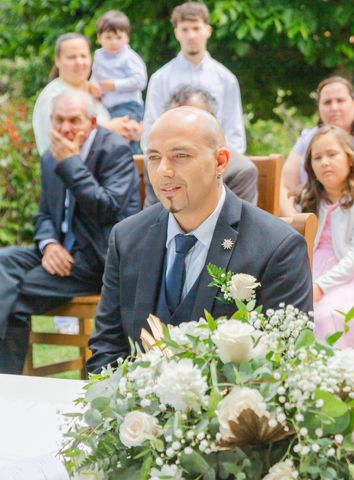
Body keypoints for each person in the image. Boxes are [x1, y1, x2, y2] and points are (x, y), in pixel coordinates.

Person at [87, 107, 313, 373]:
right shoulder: (127, 238)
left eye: (180, 155)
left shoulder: (278, 248)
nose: (164, 171)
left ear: (220, 162)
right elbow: (106, 349)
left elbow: (284, 364)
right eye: (154, 157)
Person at [0, 90, 140, 373]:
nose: (65, 128)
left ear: (91, 123)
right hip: (60, 253)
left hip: (99, 259)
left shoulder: (114, 151)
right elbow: (44, 215)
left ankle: (8, 379)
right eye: (59, 120)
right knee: (4, 261)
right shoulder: (50, 157)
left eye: (74, 121)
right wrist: (49, 244)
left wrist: (71, 164)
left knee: (13, 295)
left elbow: (107, 210)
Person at [296, 125, 354, 348]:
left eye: (332, 154)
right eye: (317, 158)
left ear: (350, 159)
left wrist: (320, 286)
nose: (324, 162)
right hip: (311, 268)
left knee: (326, 314)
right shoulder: (309, 200)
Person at [281, 76, 354, 215]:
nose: (334, 107)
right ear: (319, 107)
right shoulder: (308, 138)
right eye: (327, 102)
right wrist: (296, 223)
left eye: (340, 100)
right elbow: (285, 187)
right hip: (306, 215)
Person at [142, 1, 246, 153]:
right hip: (172, 163)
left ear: (208, 30)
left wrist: (221, 167)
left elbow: (234, 131)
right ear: (176, 33)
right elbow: (151, 129)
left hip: (216, 164)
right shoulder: (160, 79)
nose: (191, 35)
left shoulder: (226, 79)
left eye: (196, 28)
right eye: (185, 29)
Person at [142, 85, 258, 207]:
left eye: (181, 155)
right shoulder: (154, 163)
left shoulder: (240, 170)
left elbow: (239, 221)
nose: (163, 170)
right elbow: (151, 216)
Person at [32, 33, 141, 156]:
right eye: (71, 57)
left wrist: (132, 130)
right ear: (57, 60)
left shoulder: (97, 92)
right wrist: (109, 130)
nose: (79, 62)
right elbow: (58, 141)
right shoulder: (52, 96)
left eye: (83, 56)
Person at [89, 10, 147, 124]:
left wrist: (115, 85)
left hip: (128, 107)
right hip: (105, 107)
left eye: (119, 37)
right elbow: (95, 76)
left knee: (121, 135)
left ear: (127, 38)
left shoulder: (129, 57)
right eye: (108, 37)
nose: (114, 42)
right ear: (99, 38)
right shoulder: (98, 56)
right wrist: (93, 86)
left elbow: (140, 81)